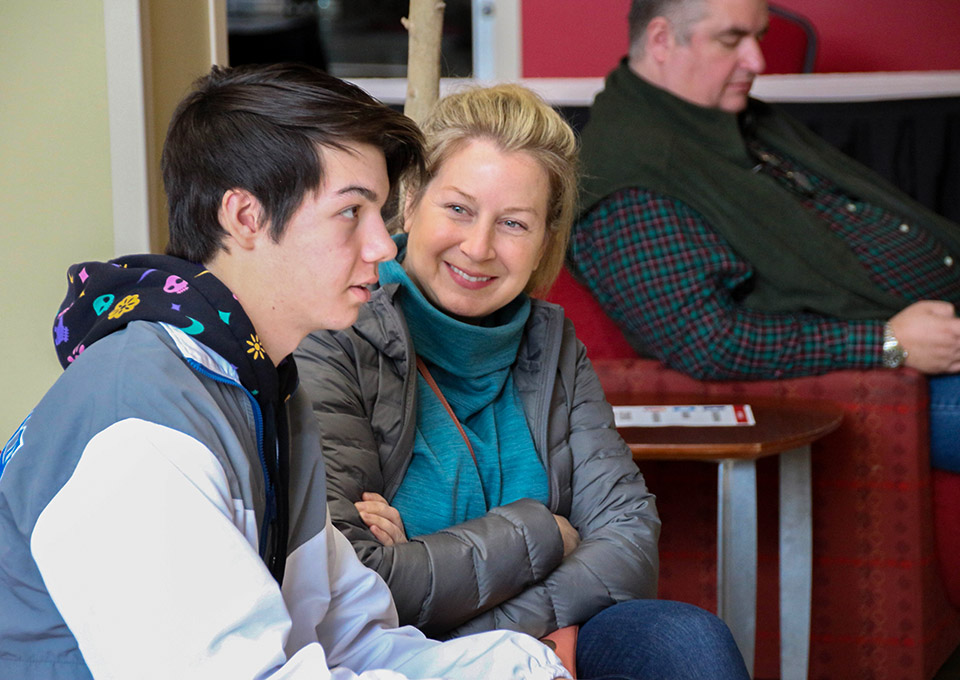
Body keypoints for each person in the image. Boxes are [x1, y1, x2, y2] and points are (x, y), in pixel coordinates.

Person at [0, 64, 570, 680]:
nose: (384, 245)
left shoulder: (259, 387)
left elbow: (351, 639)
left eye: (381, 213)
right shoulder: (141, 425)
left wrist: (524, 666)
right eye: (353, 212)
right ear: (245, 216)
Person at [295, 83, 751, 680]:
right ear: (410, 204)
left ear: (543, 243)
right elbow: (357, 575)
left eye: (513, 223)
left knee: (686, 641)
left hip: (542, 649)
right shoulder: (337, 331)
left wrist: (479, 638)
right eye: (458, 209)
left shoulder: (549, 340)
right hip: (388, 660)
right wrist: (547, 533)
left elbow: (629, 545)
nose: (479, 247)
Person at [568, 0, 960, 471]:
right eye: (732, 40)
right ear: (661, 41)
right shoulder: (627, 171)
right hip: (894, 384)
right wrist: (888, 342)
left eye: (759, 38)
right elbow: (708, 341)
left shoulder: (733, 119)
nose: (758, 62)